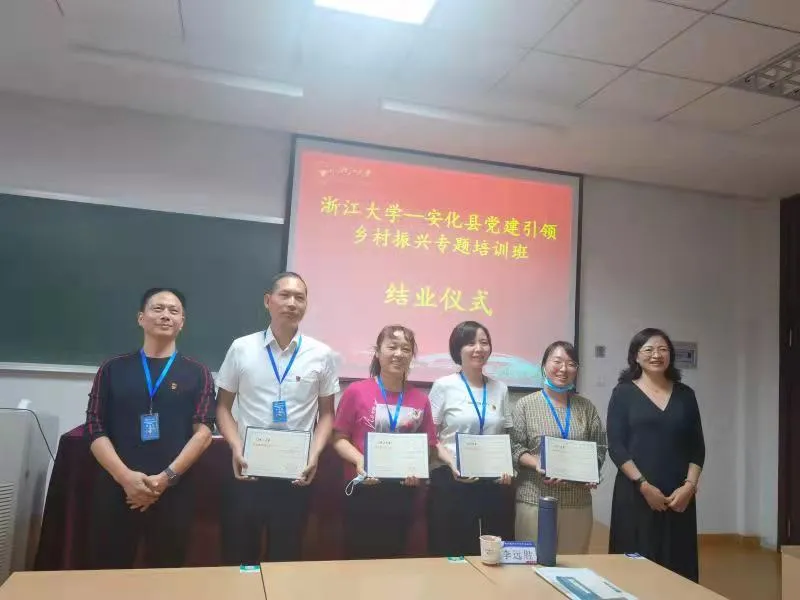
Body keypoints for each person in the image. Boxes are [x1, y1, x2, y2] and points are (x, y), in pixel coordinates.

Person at [83, 288, 216, 569]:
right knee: (107, 573)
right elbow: (94, 426)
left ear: (182, 322)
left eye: (173, 311)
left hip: (173, 491)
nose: (166, 315)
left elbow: (204, 433)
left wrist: (165, 478)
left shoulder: (198, 373)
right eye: (158, 308)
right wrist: (125, 478)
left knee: (166, 575)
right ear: (141, 318)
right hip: (117, 488)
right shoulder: (112, 369)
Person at [215, 272, 339, 565]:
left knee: (285, 558)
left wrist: (314, 454)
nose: (292, 303)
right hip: (247, 469)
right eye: (284, 295)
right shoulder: (241, 348)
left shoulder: (322, 354)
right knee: (239, 557)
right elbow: (222, 407)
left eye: (300, 297)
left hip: (295, 474)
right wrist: (236, 447)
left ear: (306, 305)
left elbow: (327, 415)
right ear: (268, 301)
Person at [607, 328, 705, 582]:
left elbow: (697, 447)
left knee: (678, 570)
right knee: (633, 571)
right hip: (636, 494)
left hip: (678, 498)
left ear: (670, 355)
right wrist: (643, 485)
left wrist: (690, 487)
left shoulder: (686, 395)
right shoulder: (623, 393)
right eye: (648, 349)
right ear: (636, 356)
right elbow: (616, 446)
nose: (656, 355)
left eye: (663, 349)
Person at [332, 325, 437, 560]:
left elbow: (429, 446)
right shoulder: (356, 392)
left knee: (395, 562)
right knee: (358, 561)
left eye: (406, 349)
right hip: (363, 489)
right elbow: (339, 438)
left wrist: (416, 469)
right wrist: (361, 460)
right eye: (392, 347)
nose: (399, 354)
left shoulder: (420, 399)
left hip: (402, 494)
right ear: (378, 353)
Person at [426, 321, 513, 558]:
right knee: (451, 552)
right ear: (458, 349)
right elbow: (431, 437)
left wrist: (506, 468)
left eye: (484, 343)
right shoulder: (443, 386)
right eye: (470, 343)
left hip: (491, 484)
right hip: (451, 480)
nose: (478, 349)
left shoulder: (500, 389)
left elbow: (504, 435)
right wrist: (452, 463)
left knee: (490, 553)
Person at [510, 341, 606, 554]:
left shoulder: (586, 407)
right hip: (534, 500)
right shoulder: (525, 405)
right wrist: (537, 463)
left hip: (577, 502)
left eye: (571, 364)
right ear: (544, 365)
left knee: (573, 564)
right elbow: (515, 447)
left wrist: (592, 470)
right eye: (557, 361)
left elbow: (600, 446)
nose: (564, 369)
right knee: (532, 562)